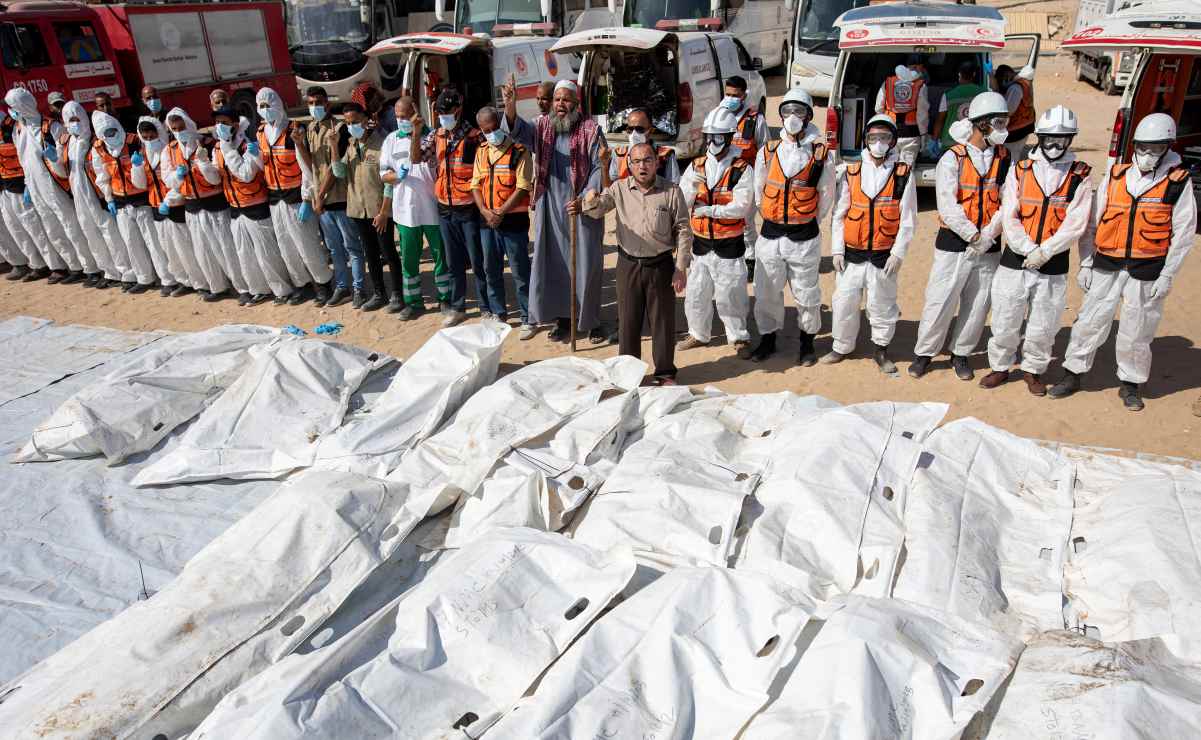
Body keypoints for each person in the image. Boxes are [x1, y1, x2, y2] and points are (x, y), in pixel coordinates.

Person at [1048, 113, 1196, 411]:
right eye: (1142, 147)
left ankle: (1130, 384)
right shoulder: (1116, 176)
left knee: (1138, 327)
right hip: (1107, 262)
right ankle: (1073, 373)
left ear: (1167, 148)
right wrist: (1086, 263)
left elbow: (1184, 232)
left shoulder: (1177, 182)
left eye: (1155, 149)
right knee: (1089, 321)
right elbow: (1092, 224)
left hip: (1147, 268)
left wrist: (1168, 275)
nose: (1147, 154)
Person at [981, 105, 1093, 395]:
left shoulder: (1080, 176)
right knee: (1006, 316)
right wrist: (1027, 248)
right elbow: (1010, 213)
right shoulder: (1021, 170)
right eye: (1049, 140)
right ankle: (1000, 366)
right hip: (1016, 259)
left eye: (1062, 140)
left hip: (1053, 263)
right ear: (1039, 138)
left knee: (1044, 323)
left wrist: (1045, 251)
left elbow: (1075, 222)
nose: (1055, 146)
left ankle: (1033, 370)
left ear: (1070, 140)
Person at [909, 92, 1012, 380]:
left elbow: (1009, 202)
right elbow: (947, 204)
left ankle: (961, 353)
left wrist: (988, 235)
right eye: (998, 122)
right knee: (940, 299)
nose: (1003, 128)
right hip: (954, 242)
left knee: (978, 302)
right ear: (981, 124)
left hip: (989, 244)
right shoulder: (952, 158)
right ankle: (925, 353)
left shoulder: (1005, 159)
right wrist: (973, 235)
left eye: (1004, 121)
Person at [583, 141, 691, 385]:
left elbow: (684, 230)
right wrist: (589, 200)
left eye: (648, 160)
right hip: (628, 264)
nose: (642, 166)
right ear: (629, 165)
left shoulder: (672, 191)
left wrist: (681, 267)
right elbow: (597, 210)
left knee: (662, 322)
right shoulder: (619, 189)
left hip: (660, 265)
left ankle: (664, 373)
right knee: (629, 322)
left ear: (657, 162)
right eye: (637, 161)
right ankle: (629, 374)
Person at [747, 87, 836, 365]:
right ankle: (768, 339)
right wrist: (775, 215)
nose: (793, 116)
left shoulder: (821, 155)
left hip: (804, 237)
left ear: (809, 116)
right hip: (771, 234)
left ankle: (807, 344)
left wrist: (802, 218)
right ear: (781, 115)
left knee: (807, 293)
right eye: (787, 111)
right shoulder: (768, 151)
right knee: (766, 291)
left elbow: (826, 197)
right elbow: (758, 190)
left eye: (799, 111)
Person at [822, 114, 916, 373]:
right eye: (873, 138)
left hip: (883, 256)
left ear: (893, 141)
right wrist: (837, 250)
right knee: (843, 302)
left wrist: (898, 253)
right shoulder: (851, 172)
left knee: (882, 304)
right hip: (852, 254)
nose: (878, 143)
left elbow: (908, 220)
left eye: (884, 138)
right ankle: (841, 346)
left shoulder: (902, 175)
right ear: (865, 140)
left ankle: (881, 350)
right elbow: (839, 216)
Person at [677, 106, 754, 356]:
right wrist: (691, 192)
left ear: (730, 137)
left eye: (718, 137)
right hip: (701, 243)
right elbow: (681, 201)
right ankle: (698, 333)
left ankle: (738, 336)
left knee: (731, 292)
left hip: (728, 243)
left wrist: (709, 210)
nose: (712, 142)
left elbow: (740, 207)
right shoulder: (697, 166)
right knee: (697, 292)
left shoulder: (742, 169)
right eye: (709, 137)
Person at [416, 88, 487, 327]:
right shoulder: (436, 135)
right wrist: (418, 131)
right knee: (452, 261)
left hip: (468, 208)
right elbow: (417, 158)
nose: (443, 117)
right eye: (440, 113)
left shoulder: (475, 136)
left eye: (447, 112)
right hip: (445, 208)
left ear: (458, 110)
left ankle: (486, 306)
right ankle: (458, 307)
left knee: (477, 260)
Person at [3, 87, 90, 284]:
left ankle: (87, 266)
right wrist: (27, 185)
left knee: (69, 225)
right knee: (51, 228)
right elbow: (23, 160)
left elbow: (64, 156)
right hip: (34, 186)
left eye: (13, 107)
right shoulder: (19, 129)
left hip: (54, 185)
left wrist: (55, 159)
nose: (11, 111)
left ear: (22, 106)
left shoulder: (50, 127)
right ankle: (67, 266)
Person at [256, 87, 332, 304]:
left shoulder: (294, 130)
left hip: (296, 197)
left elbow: (307, 169)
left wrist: (308, 198)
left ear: (278, 105)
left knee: (306, 244)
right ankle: (301, 285)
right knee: (286, 245)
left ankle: (323, 283)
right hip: (274, 197)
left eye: (268, 105)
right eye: (261, 107)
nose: (265, 110)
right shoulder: (261, 133)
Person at [211, 108, 294, 305]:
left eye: (225, 122)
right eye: (217, 123)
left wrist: (227, 149)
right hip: (235, 207)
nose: (220, 127)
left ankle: (282, 289)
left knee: (266, 252)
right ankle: (259, 289)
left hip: (255, 205)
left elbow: (246, 174)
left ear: (235, 125)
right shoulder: (217, 149)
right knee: (244, 253)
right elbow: (216, 176)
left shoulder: (247, 146)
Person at [92, 109, 177, 295]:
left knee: (153, 242)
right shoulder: (99, 148)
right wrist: (108, 198)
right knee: (131, 242)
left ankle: (167, 279)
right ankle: (144, 278)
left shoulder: (134, 142)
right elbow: (102, 176)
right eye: (106, 134)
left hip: (141, 200)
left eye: (113, 131)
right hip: (120, 202)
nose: (111, 136)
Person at [380, 96, 448, 321]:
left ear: (415, 113)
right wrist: (394, 177)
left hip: (431, 206)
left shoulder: (432, 135)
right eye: (397, 117)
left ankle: (445, 298)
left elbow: (423, 160)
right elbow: (384, 175)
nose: (401, 121)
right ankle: (414, 302)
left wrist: (416, 132)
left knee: (440, 255)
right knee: (409, 259)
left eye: (405, 116)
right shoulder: (391, 140)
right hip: (405, 210)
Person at [163, 107, 238, 302]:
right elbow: (167, 179)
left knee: (226, 248)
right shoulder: (170, 150)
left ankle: (241, 287)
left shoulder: (208, 144)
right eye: (175, 129)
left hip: (215, 204)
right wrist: (177, 176)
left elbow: (215, 179)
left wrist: (203, 164)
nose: (179, 132)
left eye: (182, 127)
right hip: (193, 208)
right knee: (203, 251)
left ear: (190, 124)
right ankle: (217, 287)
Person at [472, 105, 534, 335]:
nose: (491, 133)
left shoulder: (519, 150)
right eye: (486, 130)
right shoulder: (481, 151)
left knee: (520, 271)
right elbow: (475, 185)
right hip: (487, 222)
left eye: (494, 128)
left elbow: (522, 187)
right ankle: (499, 314)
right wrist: (486, 212)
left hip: (513, 222)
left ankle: (528, 317)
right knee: (491, 269)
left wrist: (500, 212)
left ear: (501, 124)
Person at [334, 100, 399, 311]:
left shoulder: (381, 144)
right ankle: (380, 293)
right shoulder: (351, 145)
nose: (351, 125)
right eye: (347, 122)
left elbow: (388, 180)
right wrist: (335, 146)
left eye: (354, 121)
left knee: (388, 252)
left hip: (379, 210)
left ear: (365, 120)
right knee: (370, 253)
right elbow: (339, 173)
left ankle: (397, 295)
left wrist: (383, 212)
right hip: (358, 210)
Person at [59, 101, 129, 290]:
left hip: (96, 194)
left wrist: (107, 196)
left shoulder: (94, 141)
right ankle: (108, 271)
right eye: (71, 120)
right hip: (79, 194)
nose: (75, 123)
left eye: (77, 119)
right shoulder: (67, 142)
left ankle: (124, 271)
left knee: (108, 232)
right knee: (90, 233)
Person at [133, 115, 205, 297]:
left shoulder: (169, 151)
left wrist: (169, 200)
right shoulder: (142, 155)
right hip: (156, 207)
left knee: (185, 248)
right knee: (169, 249)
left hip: (175, 205)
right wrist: (137, 168)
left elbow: (178, 182)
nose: (150, 140)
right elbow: (142, 185)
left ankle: (199, 282)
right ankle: (181, 281)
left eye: (152, 136)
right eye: (146, 137)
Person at [307, 86, 358, 308]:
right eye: (310, 103)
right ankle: (342, 287)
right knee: (334, 248)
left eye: (318, 102)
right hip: (322, 201)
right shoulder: (311, 128)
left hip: (338, 197)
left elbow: (333, 168)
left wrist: (319, 196)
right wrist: (299, 144)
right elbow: (311, 163)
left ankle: (357, 288)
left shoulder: (339, 128)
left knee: (351, 247)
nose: (315, 107)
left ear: (327, 103)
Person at [720, 75, 769, 279]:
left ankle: (751, 259)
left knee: (747, 222)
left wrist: (762, 183)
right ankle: (734, 257)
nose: (730, 98)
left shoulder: (755, 119)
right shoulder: (719, 116)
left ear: (744, 95)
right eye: (728, 94)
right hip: (725, 179)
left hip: (747, 179)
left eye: (735, 95)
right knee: (728, 220)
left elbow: (765, 151)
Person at [0, 106, 49, 282]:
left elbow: (23, 155)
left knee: (34, 227)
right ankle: (31, 263)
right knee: (15, 228)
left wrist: (28, 183)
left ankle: (44, 265)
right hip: (5, 186)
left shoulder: (11, 126)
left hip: (20, 186)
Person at [603, 108, 680, 187]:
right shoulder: (619, 154)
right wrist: (604, 166)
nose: (634, 134)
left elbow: (673, 187)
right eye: (630, 129)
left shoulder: (665, 156)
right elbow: (610, 189)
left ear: (650, 130)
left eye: (639, 129)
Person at [876, 56, 930, 167]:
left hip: (890, 133)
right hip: (911, 134)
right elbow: (922, 115)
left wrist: (882, 129)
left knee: (889, 169)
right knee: (907, 170)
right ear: (918, 68)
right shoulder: (921, 86)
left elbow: (878, 108)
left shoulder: (887, 83)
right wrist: (924, 136)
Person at [934, 61, 987, 152]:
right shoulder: (984, 93)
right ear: (974, 74)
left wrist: (934, 139)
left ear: (959, 74)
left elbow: (940, 120)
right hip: (975, 143)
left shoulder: (948, 95)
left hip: (951, 144)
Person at [996, 64, 1035, 162]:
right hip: (1026, 126)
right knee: (1016, 153)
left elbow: (1009, 110)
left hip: (1016, 129)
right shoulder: (1026, 84)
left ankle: (1011, 174)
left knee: (1011, 157)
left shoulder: (1015, 88)